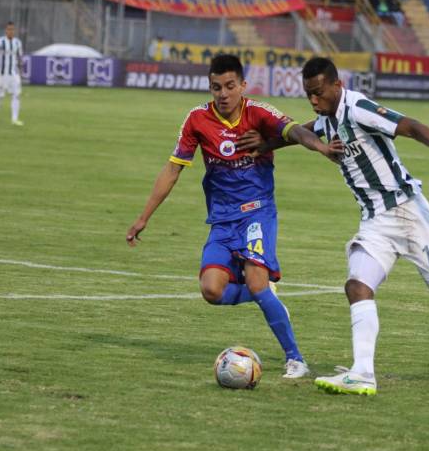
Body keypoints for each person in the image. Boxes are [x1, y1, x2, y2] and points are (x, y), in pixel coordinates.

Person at [241, 57, 429, 395]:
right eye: (309, 94)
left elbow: (409, 125)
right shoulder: (328, 119)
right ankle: (363, 373)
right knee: (357, 286)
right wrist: (266, 143)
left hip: (407, 213)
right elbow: (303, 133)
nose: (313, 101)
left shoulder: (358, 107)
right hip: (376, 221)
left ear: (337, 86)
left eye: (318, 93)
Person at [125, 54, 339, 378]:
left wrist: (321, 149)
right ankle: (263, 295)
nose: (223, 94)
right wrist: (144, 217)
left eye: (229, 86)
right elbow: (172, 169)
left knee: (255, 279)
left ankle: (295, 359)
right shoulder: (197, 119)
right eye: (216, 87)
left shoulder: (259, 112)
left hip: (257, 211)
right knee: (211, 290)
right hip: (222, 219)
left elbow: (294, 131)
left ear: (242, 85)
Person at [0, 22, 23, 126]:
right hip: (2, 74)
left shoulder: (17, 42)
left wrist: (20, 71)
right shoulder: (1, 41)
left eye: (12, 29)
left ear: (14, 31)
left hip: (14, 74)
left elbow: (20, 57)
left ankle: (14, 119)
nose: (11, 31)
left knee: (16, 95)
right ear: (6, 30)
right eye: (9, 29)